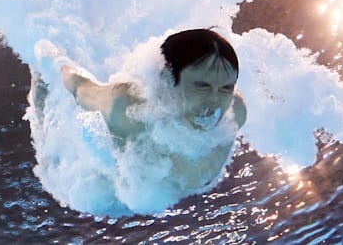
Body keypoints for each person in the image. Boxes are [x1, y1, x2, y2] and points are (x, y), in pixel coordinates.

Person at [56, 29, 247, 189]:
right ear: (167, 78)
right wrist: (56, 61)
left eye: (225, 89)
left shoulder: (236, 113)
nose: (214, 102)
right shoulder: (126, 108)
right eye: (201, 87)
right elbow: (80, 87)